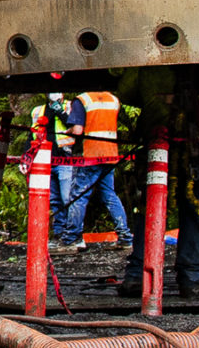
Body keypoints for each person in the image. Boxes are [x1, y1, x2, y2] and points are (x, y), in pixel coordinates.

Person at [60, 87, 132, 250]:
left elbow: (78, 130)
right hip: (110, 154)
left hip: (90, 155)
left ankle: (72, 239)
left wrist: (67, 131)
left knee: (79, 196)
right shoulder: (113, 99)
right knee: (109, 194)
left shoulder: (83, 100)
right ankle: (125, 237)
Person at [30, 77, 77, 248]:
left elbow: (74, 126)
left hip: (65, 157)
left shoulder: (70, 106)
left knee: (68, 197)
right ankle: (59, 232)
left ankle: (72, 233)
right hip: (45, 160)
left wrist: (59, 110)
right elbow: (33, 134)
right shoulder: (38, 111)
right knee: (55, 199)